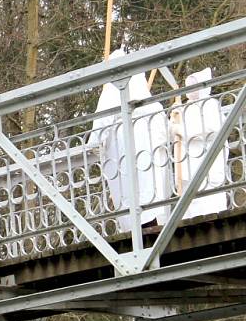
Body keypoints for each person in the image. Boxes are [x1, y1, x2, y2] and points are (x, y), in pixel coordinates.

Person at [90, 49, 170, 230]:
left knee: (132, 198)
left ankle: (139, 235)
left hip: (124, 153)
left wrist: (96, 145)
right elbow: (162, 129)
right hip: (147, 156)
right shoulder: (144, 93)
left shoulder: (112, 92)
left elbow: (101, 126)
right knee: (149, 197)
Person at [174, 68, 228, 218]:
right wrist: (175, 118)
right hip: (189, 164)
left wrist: (182, 130)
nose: (190, 90)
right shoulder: (186, 108)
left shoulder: (210, 105)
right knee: (191, 204)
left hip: (206, 162)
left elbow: (210, 130)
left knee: (208, 202)